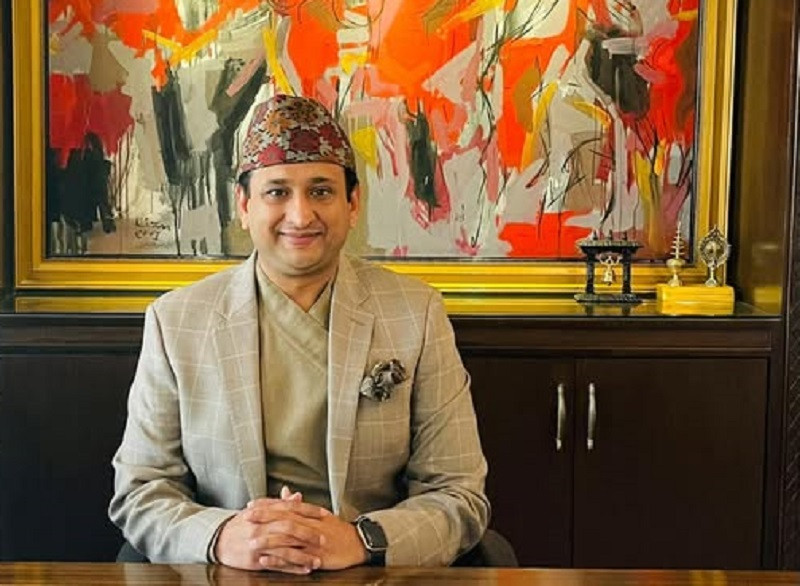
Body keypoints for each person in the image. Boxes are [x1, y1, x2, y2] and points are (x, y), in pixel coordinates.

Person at [109, 94, 490, 574]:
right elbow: (141, 490)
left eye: (321, 191)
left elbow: (458, 493)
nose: (300, 215)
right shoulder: (177, 321)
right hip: (229, 572)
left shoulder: (415, 314)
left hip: (366, 571)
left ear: (353, 204)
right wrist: (223, 537)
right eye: (277, 193)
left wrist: (361, 540)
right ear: (244, 205)